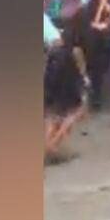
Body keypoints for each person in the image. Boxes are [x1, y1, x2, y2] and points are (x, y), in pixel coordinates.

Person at [44, 8, 86, 161]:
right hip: (67, 76)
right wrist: (84, 79)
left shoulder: (56, 42)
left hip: (51, 73)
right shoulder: (74, 45)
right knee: (75, 112)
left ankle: (48, 144)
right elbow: (79, 62)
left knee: (52, 113)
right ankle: (53, 145)